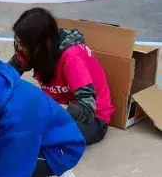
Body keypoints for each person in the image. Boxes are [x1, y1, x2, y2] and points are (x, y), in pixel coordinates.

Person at [8, 8, 115, 146]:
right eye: (18, 43)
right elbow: (6, 75)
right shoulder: (33, 51)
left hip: (92, 120)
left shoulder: (72, 59)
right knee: (11, 118)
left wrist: (51, 108)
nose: (20, 49)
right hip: (55, 109)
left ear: (38, 46)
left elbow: (87, 111)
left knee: (32, 135)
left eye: (23, 45)